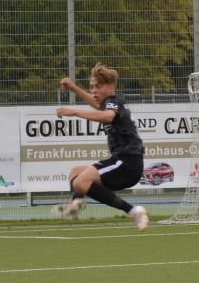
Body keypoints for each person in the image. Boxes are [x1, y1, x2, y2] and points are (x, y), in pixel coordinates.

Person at [53, 63, 149, 230]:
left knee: (81, 182)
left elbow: (107, 116)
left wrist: (74, 112)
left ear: (111, 87)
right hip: (122, 162)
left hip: (127, 163)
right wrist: (73, 87)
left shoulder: (114, 102)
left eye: (98, 86)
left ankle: (133, 210)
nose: (93, 91)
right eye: (92, 87)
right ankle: (76, 202)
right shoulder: (109, 102)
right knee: (76, 172)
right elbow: (96, 105)